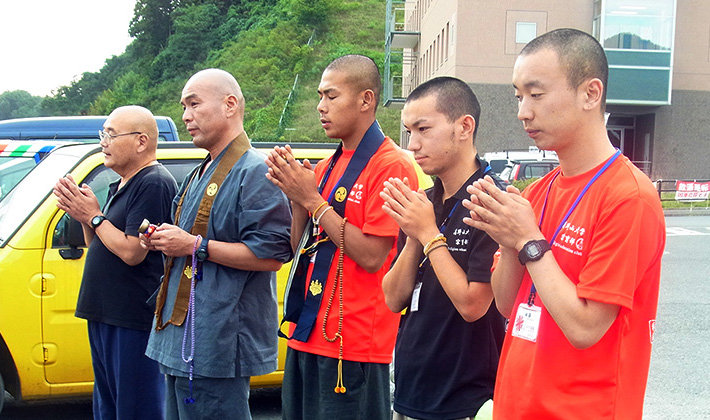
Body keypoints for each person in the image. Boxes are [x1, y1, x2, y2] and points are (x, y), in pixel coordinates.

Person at [463, 28, 666, 419]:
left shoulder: (628, 197)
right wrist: (507, 240)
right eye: (518, 97)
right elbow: (506, 305)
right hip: (516, 405)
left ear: (590, 93)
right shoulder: (538, 191)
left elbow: (585, 328)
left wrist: (528, 239)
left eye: (536, 95)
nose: (523, 111)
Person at [265, 54, 420, 420]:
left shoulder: (391, 165)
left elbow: (371, 255)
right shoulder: (326, 164)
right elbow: (298, 249)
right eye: (320, 96)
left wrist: (312, 201)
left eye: (331, 96)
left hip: (351, 344)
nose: (321, 107)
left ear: (366, 100)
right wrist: (298, 201)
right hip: (308, 332)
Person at [141, 68, 293, 420]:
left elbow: (271, 254)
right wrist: (163, 239)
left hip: (218, 337)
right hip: (183, 335)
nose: (185, 116)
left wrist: (195, 245)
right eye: (183, 106)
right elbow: (186, 240)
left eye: (194, 104)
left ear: (229, 105)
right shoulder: (200, 171)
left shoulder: (255, 170)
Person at [380, 76, 505, 420]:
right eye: (409, 132)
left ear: (464, 127)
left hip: (466, 397)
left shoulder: (492, 201)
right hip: (411, 388)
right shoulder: (424, 201)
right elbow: (393, 299)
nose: (413, 144)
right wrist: (415, 236)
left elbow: (472, 304)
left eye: (423, 129)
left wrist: (428, 232)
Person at [53, 105, 176, 420]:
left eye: (110, 134)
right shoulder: (121, 183)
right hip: (104, 312)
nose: (103, 142)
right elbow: (100, 245)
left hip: (131, 316)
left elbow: (133, 252)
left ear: (141, 141)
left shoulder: (153, 181)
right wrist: (85, 217)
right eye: (102, 134)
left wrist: (93, 216)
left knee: (135, 408)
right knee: (108, 407)